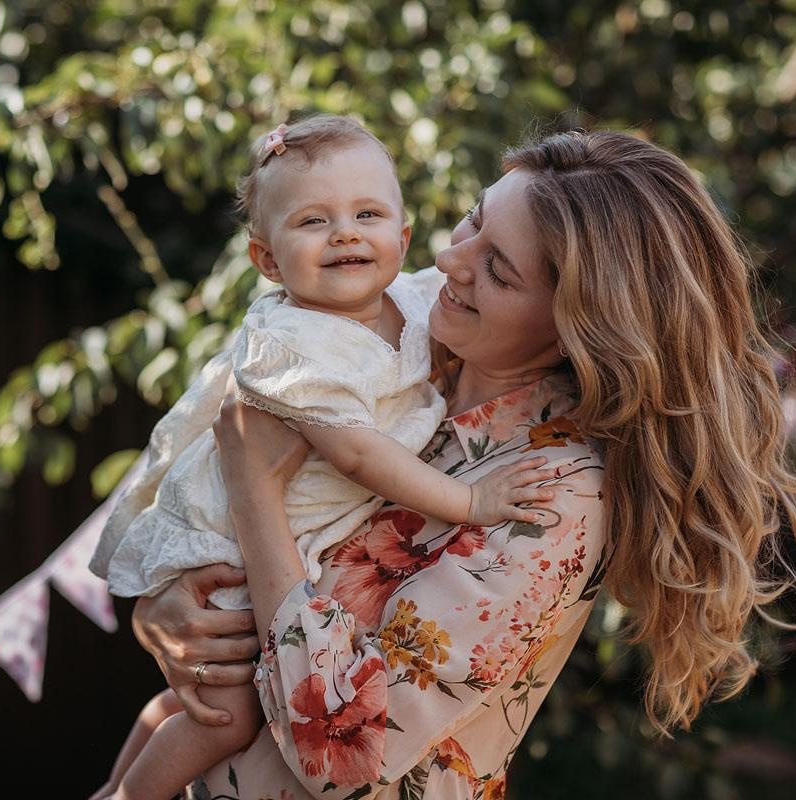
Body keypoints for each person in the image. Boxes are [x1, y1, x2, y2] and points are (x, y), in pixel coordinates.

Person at [126, 130, 796, 799]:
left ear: (576, 323)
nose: (450, 260)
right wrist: (162, 603)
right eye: (472, 222)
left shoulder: (556, 499)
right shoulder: (405, 323)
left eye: (498, 269)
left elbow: (342, 755)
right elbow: (205, 440)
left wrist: (255, 496)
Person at [88, 116, 553, 800]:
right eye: (312, 221)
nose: (344, 233)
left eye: (367, 214)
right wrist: (472, 503)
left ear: (400, 236)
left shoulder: (414, 297)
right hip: (227, 543)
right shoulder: (296, 348)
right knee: (229, 710)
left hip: (281, 529)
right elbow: (359, 454)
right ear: (268, 262)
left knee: (204, 698)